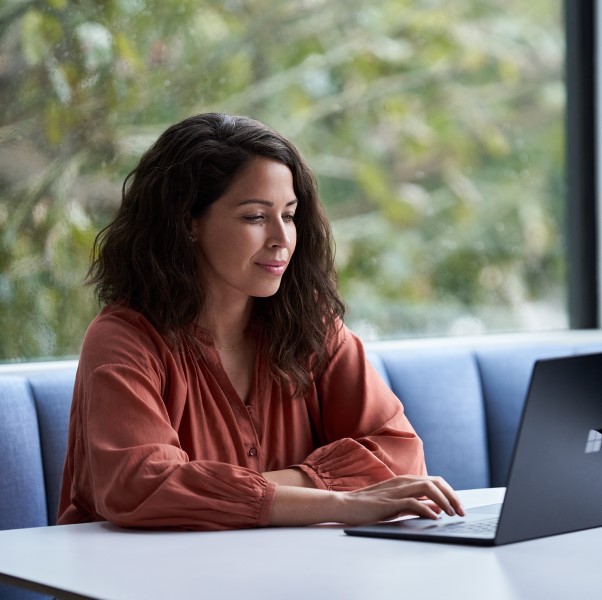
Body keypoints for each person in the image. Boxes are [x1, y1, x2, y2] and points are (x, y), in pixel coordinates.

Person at [57, 112, 464, 531]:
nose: (281, 238)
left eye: (289, 215)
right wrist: (341, 500)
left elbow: (399, 454)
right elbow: (141, 486)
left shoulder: (311, 327)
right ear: (187, 223)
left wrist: (234, 491)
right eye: (255, 217)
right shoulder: (123, 340)